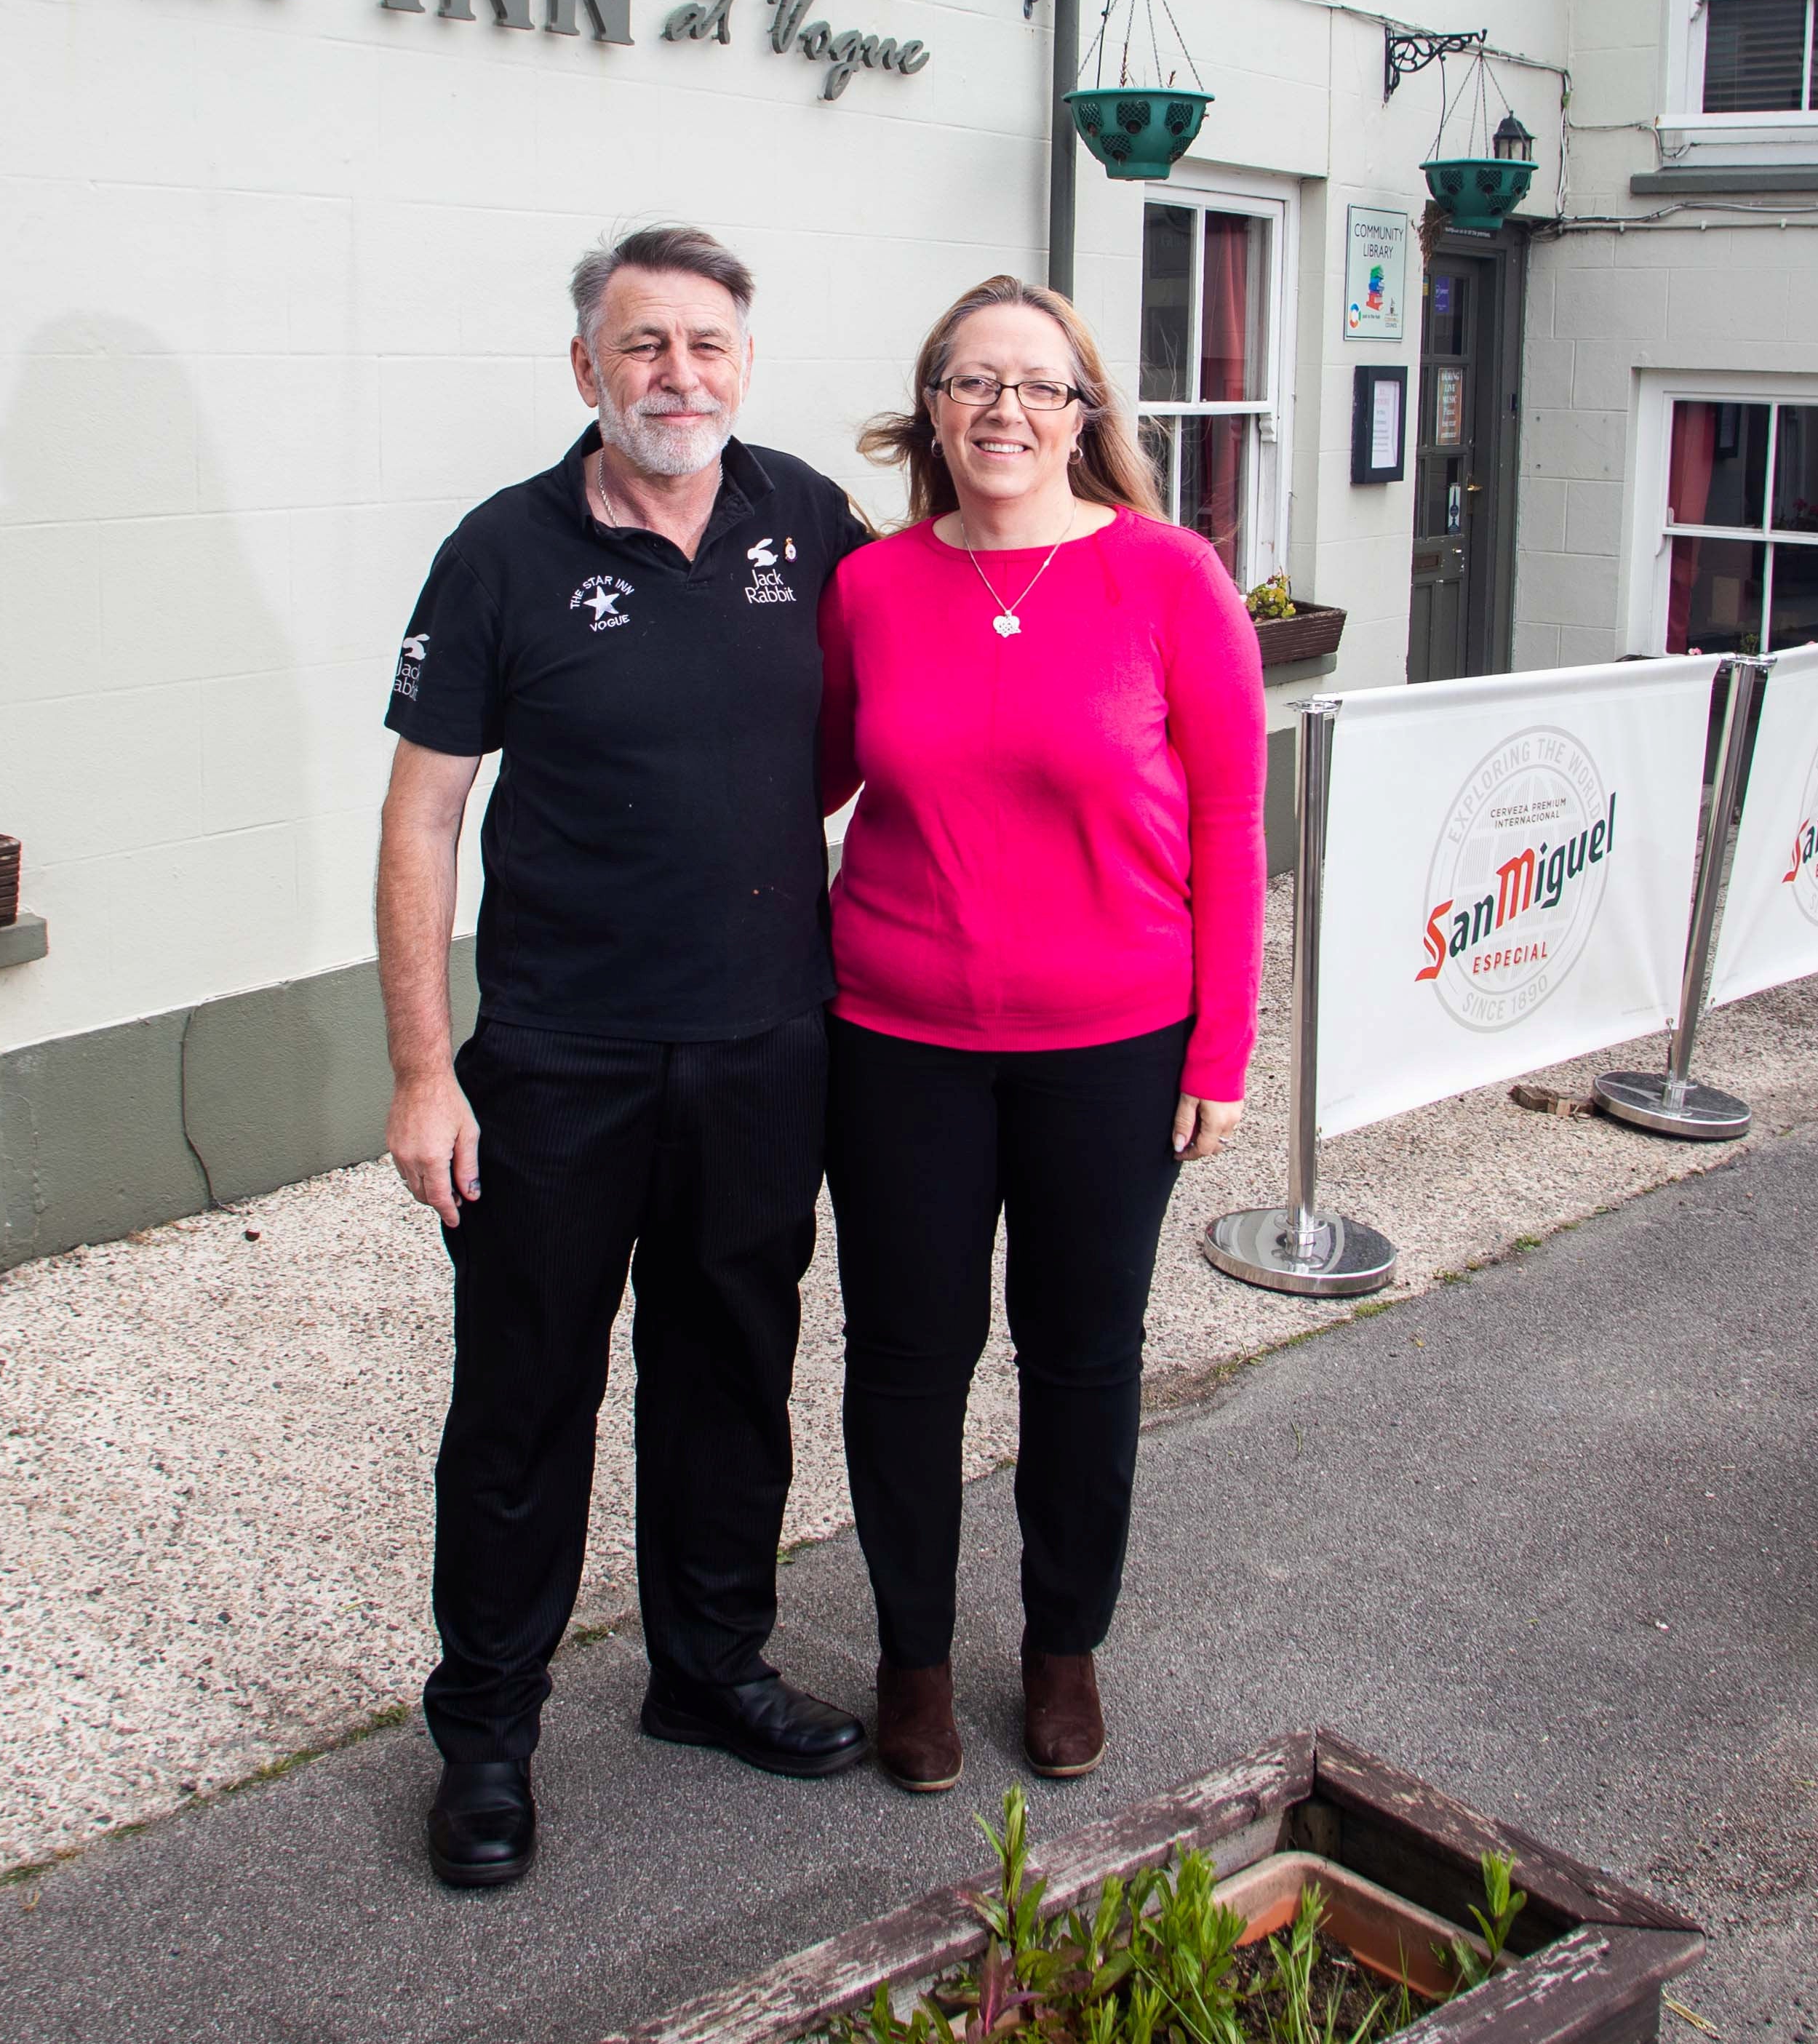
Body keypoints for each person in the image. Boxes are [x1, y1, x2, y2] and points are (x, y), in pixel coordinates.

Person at [378, 223, 875, 1893]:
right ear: (584, 367)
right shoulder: (499, 552)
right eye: (643, 344)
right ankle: (488, 1735)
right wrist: (422, 1069)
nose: (679, 374)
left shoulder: (802, 517)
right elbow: (422, 814)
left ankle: (708, 1668)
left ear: (746, 361)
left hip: (762, 1041)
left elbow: (916, 682)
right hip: (557, 1058)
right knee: (523, 1396)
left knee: (731, 1362)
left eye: (708, 344)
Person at [814, 276, 1263, 1795]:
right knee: (906, 1357)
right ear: (929, 406)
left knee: (1080, 1354)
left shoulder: (1167, 572)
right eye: (970, 381)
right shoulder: (871, 586)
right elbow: (796, 775)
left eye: (1037, 385)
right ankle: (914, 1657)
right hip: (896, 1035)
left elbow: (1228, 814)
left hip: (1114, 1036)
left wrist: (1220, 1047)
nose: (1003, 410)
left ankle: (1063, 1642)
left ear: (1084, 414)